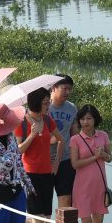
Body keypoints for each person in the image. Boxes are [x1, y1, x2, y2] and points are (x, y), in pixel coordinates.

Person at [15, 87, 64, 223]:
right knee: (37, 220)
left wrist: (56, 163)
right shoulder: (22, 122)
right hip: (29, 175)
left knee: (46, 220)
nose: (48, 105)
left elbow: (61, 140)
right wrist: (33, 134)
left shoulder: (47, 120)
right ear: (36, 103)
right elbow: (19, 150)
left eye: (48, 102)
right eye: (45, 102)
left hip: (47, 174)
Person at [69, 104, 111, 223]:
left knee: (99, 220)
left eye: (89, 118)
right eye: (83, 119)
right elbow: (75, 163)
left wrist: (103, 155)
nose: (85, 122)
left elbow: (109, 158)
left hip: (100, 185)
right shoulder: (75, 140)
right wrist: (95, 157)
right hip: (82, 187)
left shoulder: (103, 136)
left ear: (95, 120)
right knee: (86, 221)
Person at [49, 74, 78, 209]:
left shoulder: (72, 108)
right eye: (65, 88)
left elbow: (74, 134)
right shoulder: (43, 107)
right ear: (54, 87)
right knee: (44, 203)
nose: (68, 92)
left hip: (66, 160)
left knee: (66, 199)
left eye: (70, 89)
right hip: (45, 161)